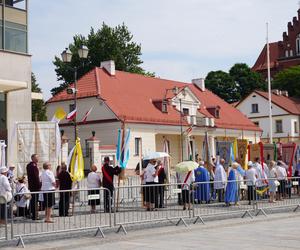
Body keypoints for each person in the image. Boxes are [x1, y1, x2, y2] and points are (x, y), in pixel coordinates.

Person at [26, 154, 41, 220]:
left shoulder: (29, 165)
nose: (38, 159)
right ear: (33, 159)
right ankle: (34, 215)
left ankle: (29, 213)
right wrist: (40, 185)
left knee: (33, 200)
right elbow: (36, 177)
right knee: (35, 201)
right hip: (35, 186)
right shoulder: (33, 166)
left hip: (32, 186)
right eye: (37, 158)